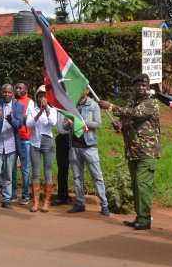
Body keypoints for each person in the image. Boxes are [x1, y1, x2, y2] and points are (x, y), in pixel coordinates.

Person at [98, 73, 161, 230]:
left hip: (147, 153)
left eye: (144, 86)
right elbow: (127, 119)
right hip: (133, 152)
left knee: (142, 185)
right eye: (138, 85)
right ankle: (140, 217)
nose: (141, 88)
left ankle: (145, 219)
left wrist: (112, 107)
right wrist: (120, 126)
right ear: (134, 87)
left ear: (148, 88)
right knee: (135, 186)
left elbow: (137, 114)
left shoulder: (151, 102)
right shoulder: (132, 102)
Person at [61, 90, 110, 216]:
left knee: (97, 176)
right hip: (74, 146)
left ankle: (104, 204)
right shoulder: (71, 105)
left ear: (87, 91)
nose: (80, 90)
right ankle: (80, 203)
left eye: (83, 87)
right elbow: (64, 127)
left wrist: (81, 122)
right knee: (77, 177)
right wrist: (68, 123)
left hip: (89, 146)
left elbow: (98, 124)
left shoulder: (93, 105)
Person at [0, 83, 24, 210]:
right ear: (1, 93)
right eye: (4, 92)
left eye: (9, 92)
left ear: (13, 94)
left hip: (11, 146)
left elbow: (18, 125)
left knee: (8, 175)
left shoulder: (18, 106)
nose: (6, 94)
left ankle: (6, 200)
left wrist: (10, 119)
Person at [26, 86, 58, 213]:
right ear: (37, 97)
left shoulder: (53, 110)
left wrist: (47, 110)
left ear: (49, 97)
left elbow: (53, 122)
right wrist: (39, 113)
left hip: (47, 142)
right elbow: (28, 124)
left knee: (48, 172)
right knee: (36, 172)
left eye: (45, 96)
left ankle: (46, 202)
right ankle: (35, 203)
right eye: (40, 95)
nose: (43, 98)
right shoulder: (32, 110)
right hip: (34, 142)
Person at [10, 82, 33, 205]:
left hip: (25, 139)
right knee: (12, 168)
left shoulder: (30, 102)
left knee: (25, 169)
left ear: (26, 90)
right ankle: (13, 194)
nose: (18, 90)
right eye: (16, 88)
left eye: (20, 88)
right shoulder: (12, 101)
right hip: (12, 138)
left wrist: (15, 115)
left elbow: (28, 118)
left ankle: (25, 195)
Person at [50, 126, 71, 206]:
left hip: (73, 138)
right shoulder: (57, 112)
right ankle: (62, 196)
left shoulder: (72, 112)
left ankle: (80, 198)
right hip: (61, 137)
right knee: (62, 169)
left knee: (77, 170)